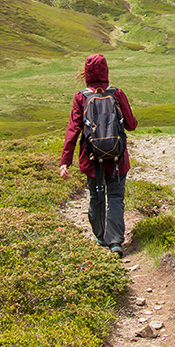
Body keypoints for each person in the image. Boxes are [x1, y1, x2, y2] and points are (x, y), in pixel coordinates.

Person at [60, 54, 138, 256]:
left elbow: (73, 130)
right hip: (118, 159)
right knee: (115, 196)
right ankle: (116, 243)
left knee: (96, 195)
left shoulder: (81, 97)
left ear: (86, 75)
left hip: (91, 158)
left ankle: (101, 236)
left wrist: (65, 162)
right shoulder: (117, 94)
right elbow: (131, 125)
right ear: (106, 72)